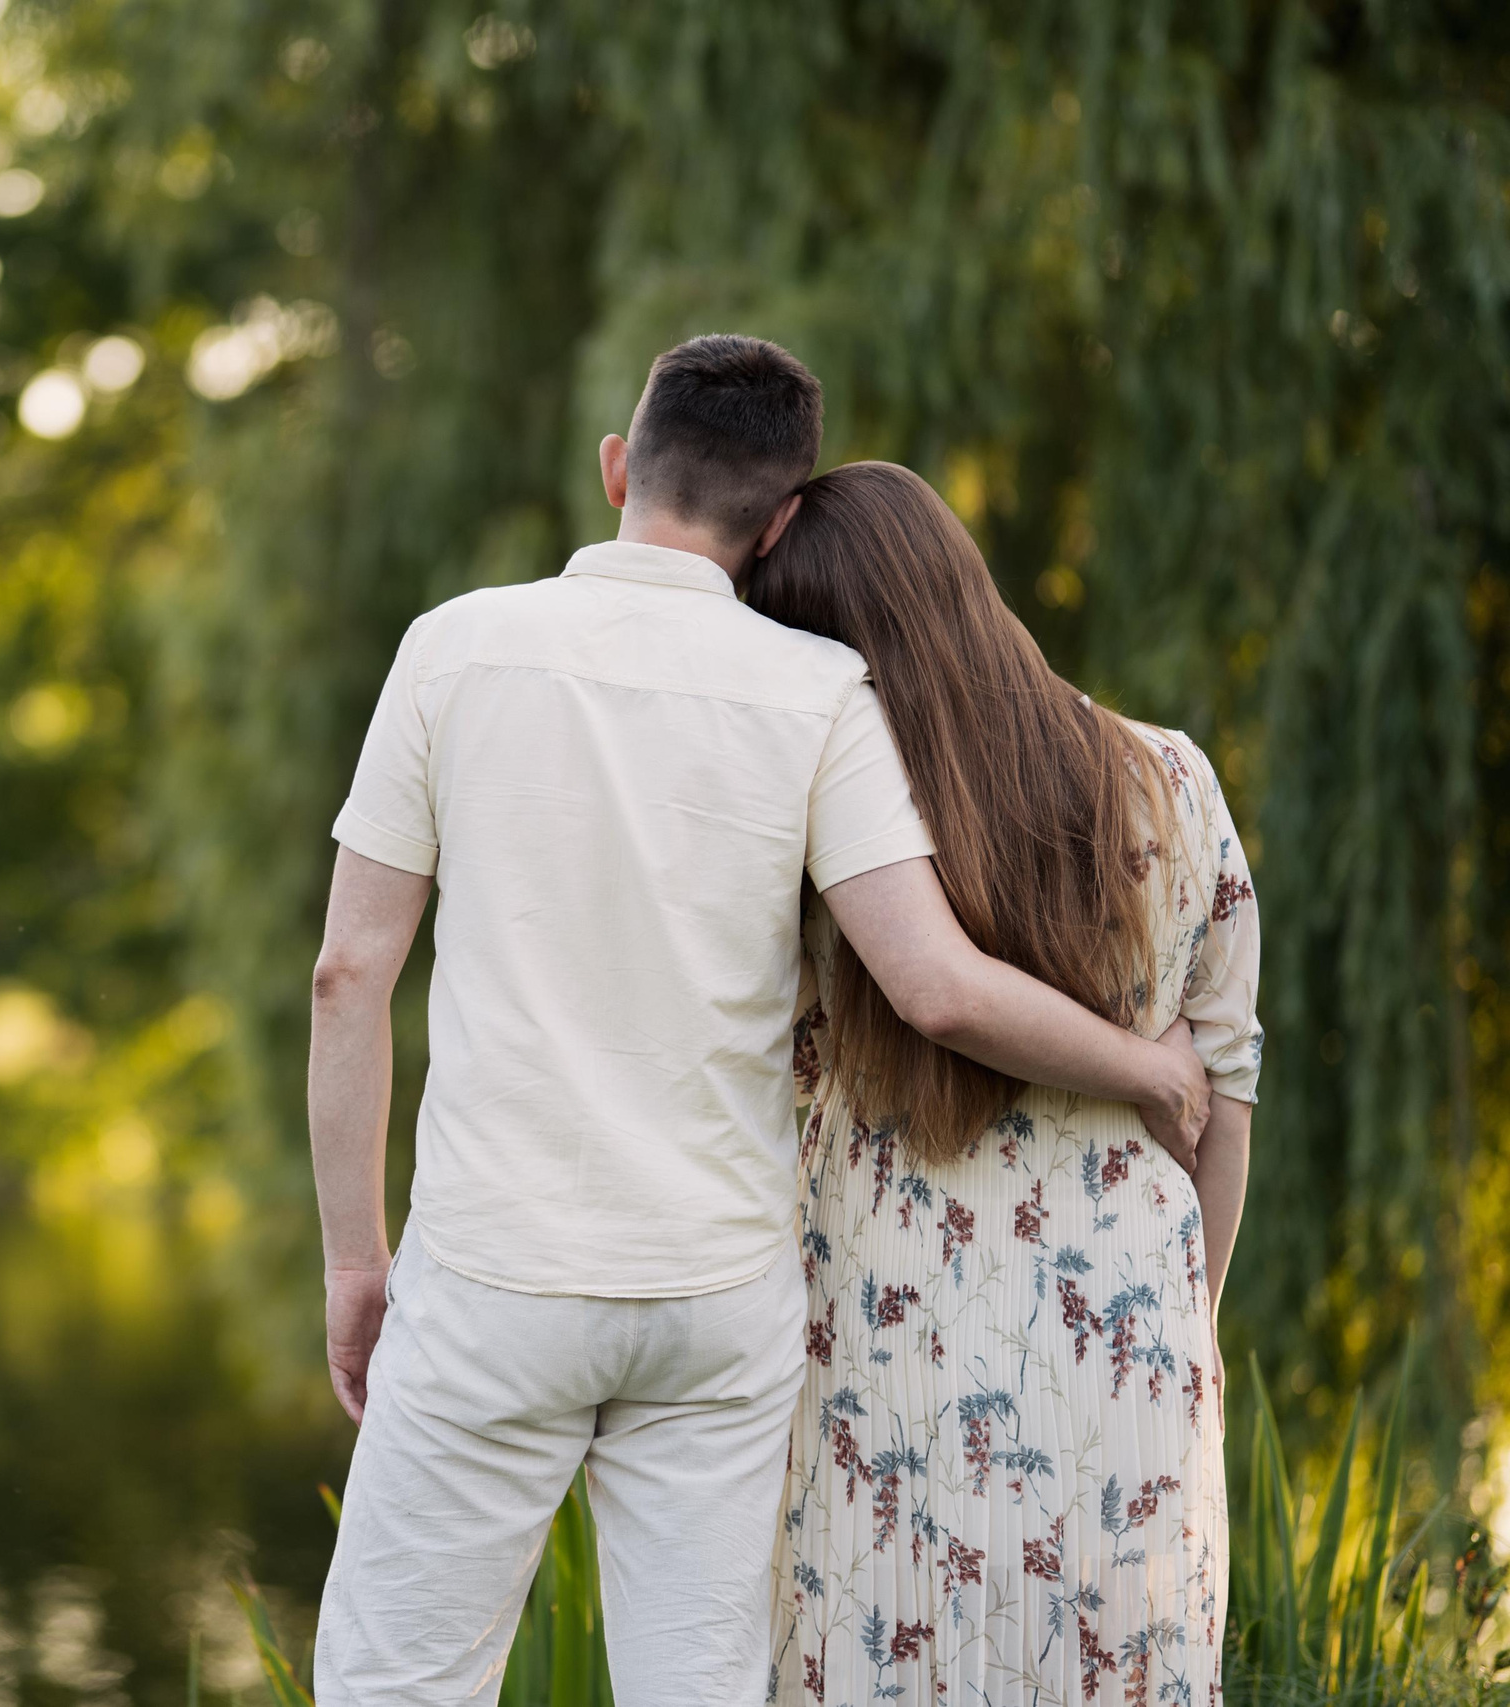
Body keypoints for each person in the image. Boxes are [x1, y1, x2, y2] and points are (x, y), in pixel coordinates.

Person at [305, 337, 1214, 1706]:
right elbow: (936, 984)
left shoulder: (454, 648)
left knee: (398, 1680)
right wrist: (1150, 1067)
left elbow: (347, 976)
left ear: (619, 466)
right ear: (779, 520)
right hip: (716, 1296)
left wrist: (354, 1262)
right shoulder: (817, 694)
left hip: (496, 1272)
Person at [745, 461, 1258, 1704]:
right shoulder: (1173, 779)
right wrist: (1184, 1322)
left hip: (887, 1342)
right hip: (1128, 1330)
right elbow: (1226, 1092)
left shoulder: (835, 832)